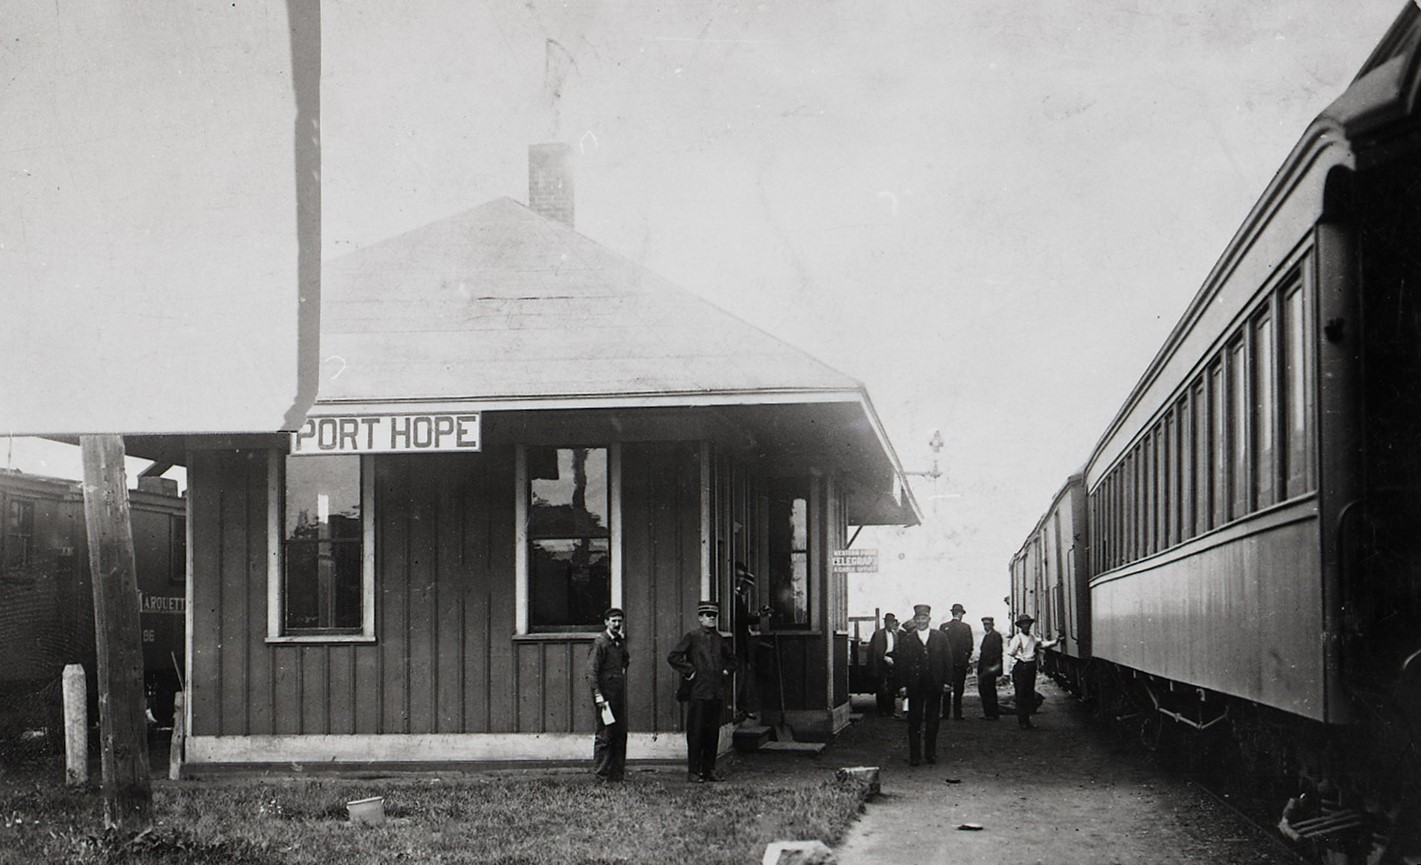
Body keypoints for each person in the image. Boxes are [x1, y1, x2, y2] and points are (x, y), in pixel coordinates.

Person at [668, 600, 738, 782]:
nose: (711, 619)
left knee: (712, 733)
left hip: (715, 694)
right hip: (698, 693)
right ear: (700, 618)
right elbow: (674, 657)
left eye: (714, 616)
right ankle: (693, 772)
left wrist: (726, 670)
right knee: (696, 732)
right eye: (708, 615)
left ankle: (709, 770)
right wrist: (690, 670)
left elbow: (733, 660)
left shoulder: (720, 639)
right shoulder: (692, 637)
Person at [894, 604, 953, 765]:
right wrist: (902, 685)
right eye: (918, 618)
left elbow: (948, 661)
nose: (921, 621)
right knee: (914, 720)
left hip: (934, 685)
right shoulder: (907, 640)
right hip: (915, 686)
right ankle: (915, 756)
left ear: (929, 619)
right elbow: (901, 665)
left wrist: (947, 681)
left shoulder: (940, 637)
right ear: (914, 620)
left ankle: (930, 754)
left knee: (933, 719)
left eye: (924, 618)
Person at [587, 607, 629, 782]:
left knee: (619, 734)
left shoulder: (619, 642)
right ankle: (600, 777)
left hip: (618, 696)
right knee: (604, 736)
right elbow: (591, 671)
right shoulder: (600, 643)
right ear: (606, 622)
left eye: (619, 621)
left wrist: (620, 673)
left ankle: (616, 776)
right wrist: (598, 694)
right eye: (613, 621)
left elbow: (626, 659)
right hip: (604, 697)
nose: (617, 624)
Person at [1005, 613, 1059, 730]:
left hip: (1030, 667)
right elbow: (1009, 654)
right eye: (1024, 624)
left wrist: (1055, 641)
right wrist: (1006, 672)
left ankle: (1027, 721)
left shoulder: (1032, 637)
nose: (1026, 626)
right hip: (1021, 667)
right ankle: (1022, 722)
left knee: (1028, 695)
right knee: (1020, 695)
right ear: (1020, 626)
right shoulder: (1017, 638)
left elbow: (1042, 644)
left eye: (1028, 624)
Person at [731, 563, 761, 722]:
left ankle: (741, 708)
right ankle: (736, 709)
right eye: (737, 575)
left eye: (741, 576)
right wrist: (756, 616)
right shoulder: (731, 596)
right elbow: (740, 619)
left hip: (741, 643)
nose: (739, 579)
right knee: (738, 676)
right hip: (735, 643)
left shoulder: (737, 595)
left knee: (743, 676)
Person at [940, 603, 973, 720]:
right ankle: (957, 714)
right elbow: (969, 646)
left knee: (946, 687)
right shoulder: (966, 627)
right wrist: (965, 659)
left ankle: (945, 714)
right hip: (960, 663)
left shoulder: (944, 627)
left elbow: (940, 646)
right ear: (960, 614)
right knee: (959, 689)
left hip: (946, 664)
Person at [866, 612, 901, 717]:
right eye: (888, 622)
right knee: (881, 688)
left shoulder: (895, 635)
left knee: (892, 688)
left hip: (892, 663)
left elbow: (896, 649)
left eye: (892, 622)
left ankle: (891, 710)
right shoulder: (879, 634)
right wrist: (885, 658)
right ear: (885, 622)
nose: (891, 624)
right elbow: (876, 650)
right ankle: (881, 710)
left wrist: (894, 660)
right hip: (881, 663)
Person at [977, 616, 1003, 720]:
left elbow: (996, 653)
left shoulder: (995, 636)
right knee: (984, 690)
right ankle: (988, 713)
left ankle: (993, 714)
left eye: (987, 624)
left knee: (990, 691)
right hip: (985, 669)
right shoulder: (987, 636)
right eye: (984, 625)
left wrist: (990, 668)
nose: (986, 626)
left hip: (990, 669)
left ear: (992, 624)